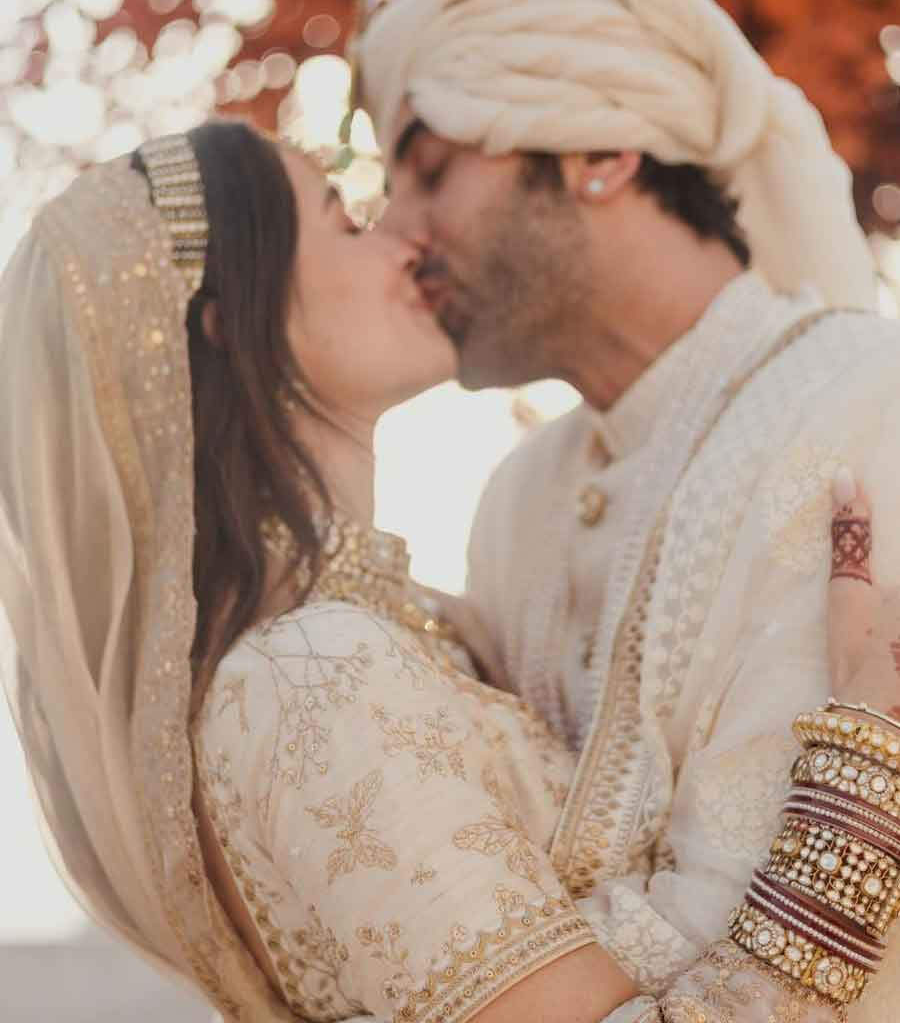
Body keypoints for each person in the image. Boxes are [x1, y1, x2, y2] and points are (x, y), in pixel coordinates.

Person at [0, 121, 888, 1023]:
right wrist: (862, 777)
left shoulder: (416, 629)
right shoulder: (305, 678)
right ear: (232, 317)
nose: (405, 239)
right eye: (345, 223)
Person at [285, 0, 900, 1016]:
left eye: (433, 168)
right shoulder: (515, 504)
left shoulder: (867, 410)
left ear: (605, 153)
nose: (401, 230)